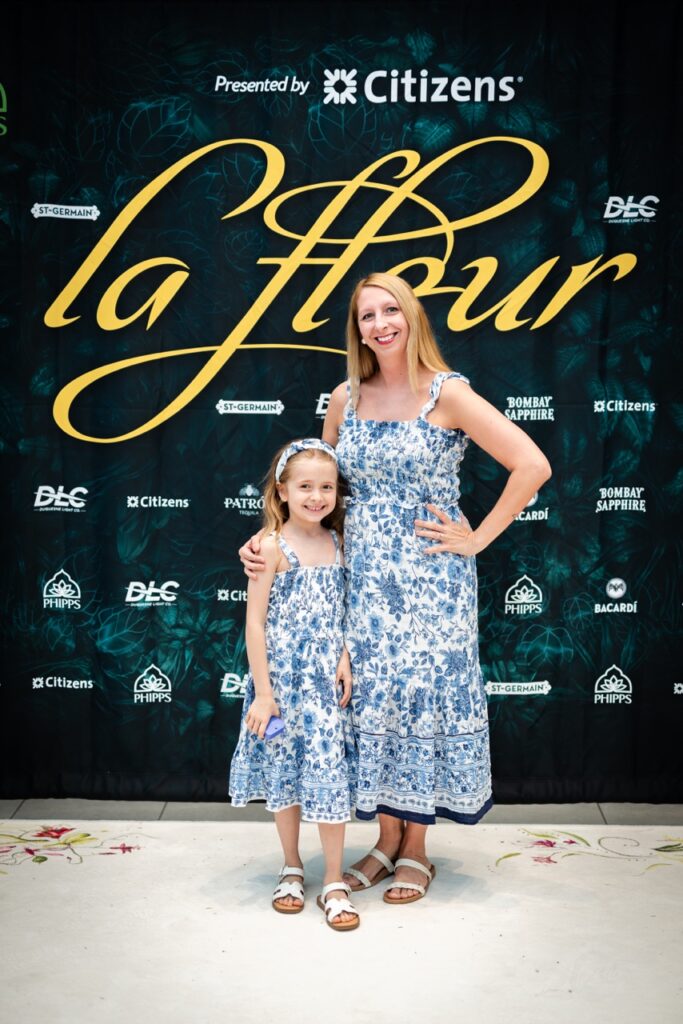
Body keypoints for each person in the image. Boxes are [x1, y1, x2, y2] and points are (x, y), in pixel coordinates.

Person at [240, 272, 551, 905]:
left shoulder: (448, 392)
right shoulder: (344, 398)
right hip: (357, 579)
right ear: (355, 329)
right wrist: (268, 540)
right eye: (365, 316)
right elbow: (313, 488)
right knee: (373, 700)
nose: (379, 324)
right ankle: (385, 842)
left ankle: (418, 851)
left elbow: (532, 464)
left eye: (390, 311)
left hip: (430, 583)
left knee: (420, 699)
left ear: (411, 317)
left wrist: (476, 539)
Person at [228, 438, 360, 931]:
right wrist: (264, 693)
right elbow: (255, 624)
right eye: (305, 486)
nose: (316, 496)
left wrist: (346, 656)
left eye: (326, 487)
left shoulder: (340, 543)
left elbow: (349, 611)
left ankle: (333, 880)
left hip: (326, 688)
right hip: (282, 686)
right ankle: (291, 865)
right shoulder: (269, 547)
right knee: (284, 776)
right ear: (282, 490)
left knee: (329, 778)